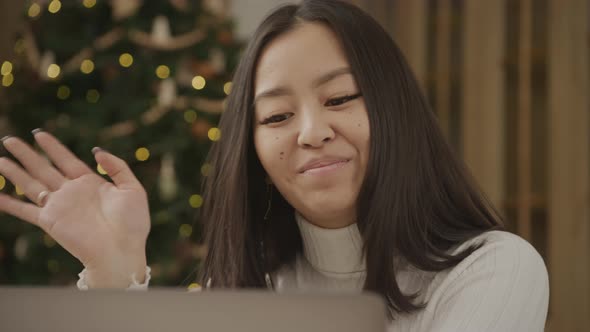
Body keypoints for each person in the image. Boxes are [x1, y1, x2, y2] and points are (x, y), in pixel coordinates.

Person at [0, 0, 549, 330]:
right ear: (255, 152)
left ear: (396, 112)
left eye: (339, 99)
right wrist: (116, 277)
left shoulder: (493, 270)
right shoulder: (243, 287)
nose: (311, 133)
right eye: (278, 115)